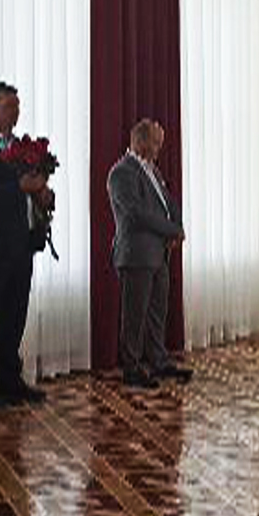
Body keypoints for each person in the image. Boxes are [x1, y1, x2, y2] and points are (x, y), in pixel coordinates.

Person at [0, 82, 52, 409]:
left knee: (15, 312)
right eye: (8, 107)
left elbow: (32, 187)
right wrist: (20, 186)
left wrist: (42, 194)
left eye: (17, 107)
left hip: (23, 240)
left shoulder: (22, 146)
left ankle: (10, 377)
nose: (15, 113)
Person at [107, 120, 189, 390]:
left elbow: (167, 204)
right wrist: (172, 230)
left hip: (158, 254)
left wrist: (177, 227)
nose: (158, 149)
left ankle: (158, 361)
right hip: (136, 255)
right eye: (155, 143)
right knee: (134, 316)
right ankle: (131, 368)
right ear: (140, 141)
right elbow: (135, 214)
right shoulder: (121, 172)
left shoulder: (153, 171)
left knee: (157, 313)